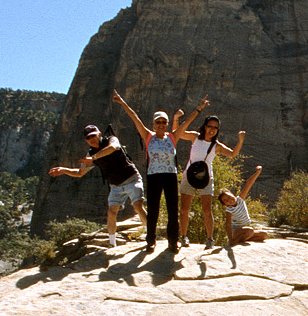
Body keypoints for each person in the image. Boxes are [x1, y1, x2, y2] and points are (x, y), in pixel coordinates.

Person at [111, 89, 205, 249]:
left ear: (166, 124)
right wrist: (122, 102)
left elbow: (186, 123)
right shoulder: (148, 136)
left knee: (172, 210)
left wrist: (200, 108)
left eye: (164, 122)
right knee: (153, 211)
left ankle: (173, 242)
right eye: (158, 122)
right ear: (153, 124)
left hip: (170, 176)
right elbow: (134, 117)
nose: (161, 124)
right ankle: (150, 241)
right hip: (153, 176)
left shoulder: (173, 137)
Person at [47, 123, 146, 249]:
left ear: (99, 134)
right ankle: (112, 244)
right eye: (89, 138)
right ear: (86, 141)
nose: (92, 139)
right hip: (115, 185)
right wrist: (64, 170)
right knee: (111, 212)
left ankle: (151, 234)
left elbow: (113, 147)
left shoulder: (111, 139)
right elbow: (79, 173)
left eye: (94, 136)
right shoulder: (90, 155)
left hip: (132, 179)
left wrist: (93, 157)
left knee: (137, 206)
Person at [174, 111, 245, 249]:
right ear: (205, 127)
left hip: (206, 179)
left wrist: (240, 140)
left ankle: (210, 239)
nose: (212, 129)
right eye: (210, 126)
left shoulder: (216, 146)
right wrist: (176, 118)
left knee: (207, 210)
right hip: (189, 176)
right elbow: (178, 133)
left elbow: (232, 154)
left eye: (215, 127)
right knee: (184, 209)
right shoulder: (195, 137)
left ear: (217, 130)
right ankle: (183, 237)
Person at [220, 165, 267, 246]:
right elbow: (227, 225)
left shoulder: (240, 199)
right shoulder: (229, 210)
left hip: (244, 230)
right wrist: (230, 239)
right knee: (250, 231)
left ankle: (243, 239)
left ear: (232, 194)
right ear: (225, 204)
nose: (229, 200)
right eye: (225, 200)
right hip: (236, 232)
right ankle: (235, 242)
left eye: (228, 197)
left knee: (264, 235)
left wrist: (257, 172)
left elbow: (248, 184)